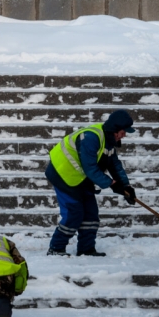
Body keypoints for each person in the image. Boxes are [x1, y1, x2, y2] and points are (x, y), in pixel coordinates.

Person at [46, 109, 137, 257]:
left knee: (91, 214)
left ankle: (86, 249)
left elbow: (114, 165)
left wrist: (126, 186)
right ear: (115, 130)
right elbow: (90, 168)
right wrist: (112, 184)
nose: (125, 135)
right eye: (123, 131)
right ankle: (56, 248)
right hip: (63, 175)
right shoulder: (90, 137)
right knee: (74, 214)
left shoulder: (108, 141)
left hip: (82, 178)